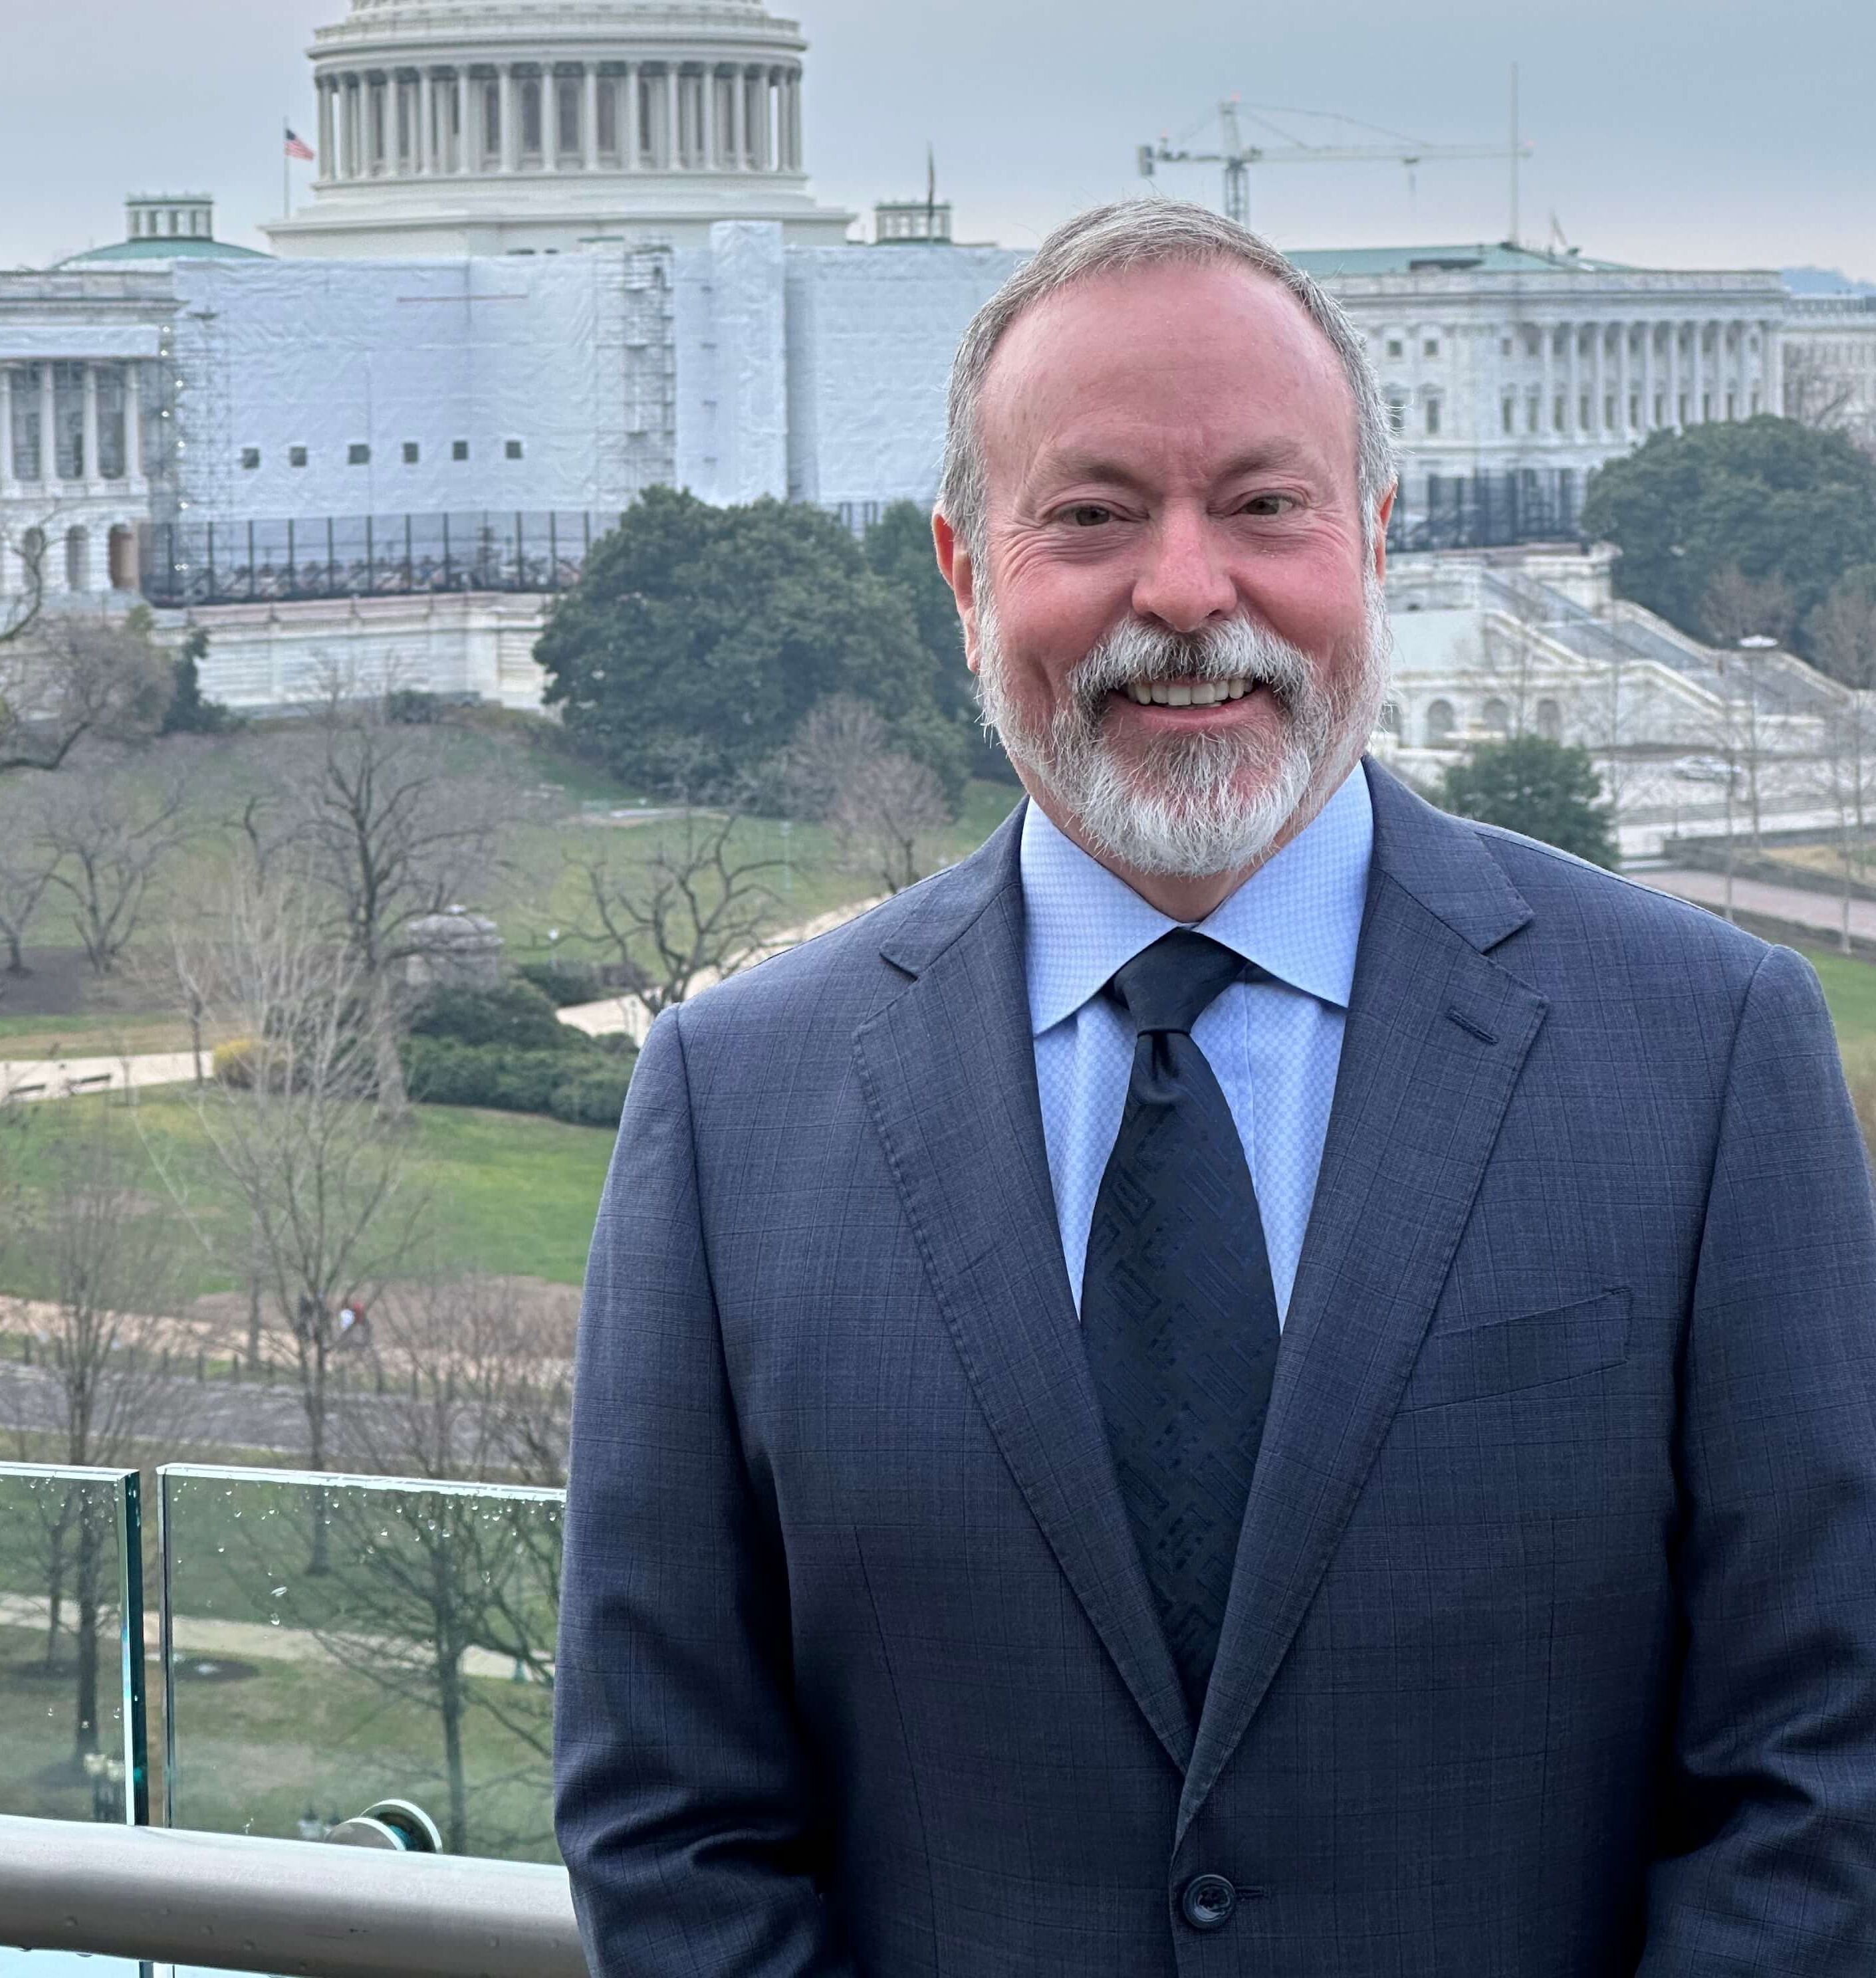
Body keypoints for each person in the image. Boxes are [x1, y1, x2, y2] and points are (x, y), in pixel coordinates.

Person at [555, 201, 1876, 1975]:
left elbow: (1818, 1771)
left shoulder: (1706, 1056)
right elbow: (671, 1816)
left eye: (1265, 506)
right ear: (963, 577)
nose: (1186, 592)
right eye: (1092, 516)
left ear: (1374, 543)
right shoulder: (734, 1108)